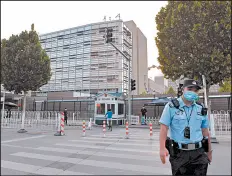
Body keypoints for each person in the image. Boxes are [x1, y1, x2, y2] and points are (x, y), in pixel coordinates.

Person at [159, 79, 212, 175]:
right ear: (183, 89)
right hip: (179, 154)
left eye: (195, 90)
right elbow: (164, 128)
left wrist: (209, 151)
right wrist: (162, 148)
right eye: (190, 89)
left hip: (199, 153)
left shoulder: (201, 108)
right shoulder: (171, 107)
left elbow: (205, 131)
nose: (193, 92)